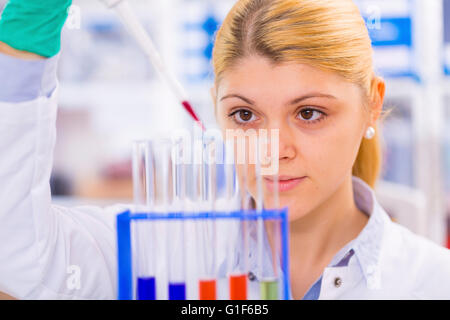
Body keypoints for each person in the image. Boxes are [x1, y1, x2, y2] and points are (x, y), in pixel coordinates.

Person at [0, 0, 450, 300]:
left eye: (309, 114)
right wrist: (24, 42)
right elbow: (21, 258)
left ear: (372, 105)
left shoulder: (432, 282)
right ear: (216, 110)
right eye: (245, 116)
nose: (272, 152)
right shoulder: (160, 254)